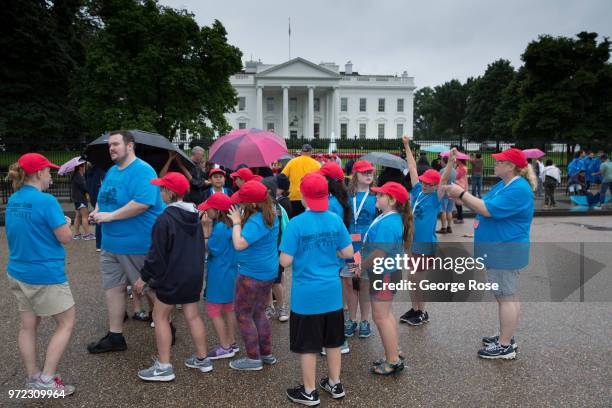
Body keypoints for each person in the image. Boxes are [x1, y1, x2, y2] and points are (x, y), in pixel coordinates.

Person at [444, 147, 536, 359]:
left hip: (505, 249)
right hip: (500, 248)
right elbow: (484, 204)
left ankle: (505, 346)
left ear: (511, 166)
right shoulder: (505, 184)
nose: (494, 164)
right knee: (505, 295)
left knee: (506, 296)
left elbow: (486, 209)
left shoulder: (518, 189)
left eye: (499, 161)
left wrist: (462, 194)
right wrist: (462, 198)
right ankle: (506, 336)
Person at [87, 130, 165, 354]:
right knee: (113, 289)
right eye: (109, 145)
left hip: (137, 244)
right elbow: (104, 199)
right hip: (111, 243)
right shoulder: (112, 170)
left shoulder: (142, 170)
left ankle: (166, 326)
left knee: (150, 289)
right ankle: (115, 336)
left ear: (130, 146)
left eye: (115, 144)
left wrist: (109, 217)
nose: (111, 148)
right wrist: (97, 211)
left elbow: (142, 203)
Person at [279, 173, 354, 405]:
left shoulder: (296, 223)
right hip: (332, 294)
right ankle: (335, 383)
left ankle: (310, 391)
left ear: (303, 195)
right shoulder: (334, 219)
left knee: (309, 345)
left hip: (306, 296)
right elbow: (348, 252)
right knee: (333, 342)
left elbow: (285, 261)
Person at [5, 153, 76, 394]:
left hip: (18, 271)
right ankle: (46, 380)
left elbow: (26, 230)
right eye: (48, 171)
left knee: (27, 326)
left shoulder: (14, 199)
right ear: (37, 174)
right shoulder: (47, 202)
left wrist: (58, 223)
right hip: (44, 273)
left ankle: (33, 376)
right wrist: (67, 224)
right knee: (66, 322)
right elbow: (65, 237)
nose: (51, 176)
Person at [134, 172, 211, 381]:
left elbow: (156, 254)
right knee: (193, 315)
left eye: (161, 189)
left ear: (169, 192)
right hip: (193, 275)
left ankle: (164, 366)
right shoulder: (195, 214)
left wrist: (144, 277)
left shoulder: (165, 219)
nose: (159, 192)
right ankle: (203, 359)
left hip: (172, 276)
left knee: (160, 317)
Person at [399, 136, 452, 326]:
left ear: (437, 186)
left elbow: (445, 177)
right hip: (412, 241)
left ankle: (422, 311)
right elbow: (412, 168)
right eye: (424, 182)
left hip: (424, 243)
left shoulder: (436, 197)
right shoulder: (418, 191)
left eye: (430, 183)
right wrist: (406, 145)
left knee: (416, 278)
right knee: (412, 278)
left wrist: (451, 161)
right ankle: (416, 309)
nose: (426, 185)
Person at [227, 180, 279, 370]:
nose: (240, 205)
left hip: (251, 275)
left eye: (243, 202)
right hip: (267, 273)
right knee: (258, 312)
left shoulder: (257, 220)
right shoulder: (271, 213)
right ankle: (266, 354)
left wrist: (236, 223)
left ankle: (253, 359)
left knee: (243, 314)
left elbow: (239, 244)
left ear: (254, 204)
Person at [363, 181, 412, 375]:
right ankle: (393, 353)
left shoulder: (388, 223)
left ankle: (392, 360)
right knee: (386, 315)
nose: (376, 197)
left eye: (380, 195)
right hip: (387, 274)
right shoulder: (390, 218)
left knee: (381, 317)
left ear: (391, 200)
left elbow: (378, 254)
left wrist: (361, 266)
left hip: (383, 274)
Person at [198, 193, 240, 359]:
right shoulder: (232, 225)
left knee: (214, 310)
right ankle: (232, 341)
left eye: (209, 208)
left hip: (219, 275)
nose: (207, 211)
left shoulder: (220, 227)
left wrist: (205, 229)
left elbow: (211, 248)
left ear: (216, 210)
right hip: (231, 273)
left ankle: (224, 346)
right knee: (230, 309)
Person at [344, 160, 378, 341]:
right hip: (350, 247)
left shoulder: (376, 196)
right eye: (364, 172)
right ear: (355, 175)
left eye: (370, 172)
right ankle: (351, 319)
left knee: (364, 284)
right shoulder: (347, 197)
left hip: (368, 247)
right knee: (350, 283)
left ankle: (365, 320)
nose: (368, 175)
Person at [260, 176, 290, 322]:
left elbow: (287, 229)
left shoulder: (279, 209)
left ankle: (282, 306)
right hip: (263, 251)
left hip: (276, 250)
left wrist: (285, 249)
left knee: (276, 281)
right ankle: (269, 307)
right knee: (266, 281)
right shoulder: (257, 208)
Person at [281, 144, 321, 216]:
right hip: (309, 197)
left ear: (301, 152)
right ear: (311, 152)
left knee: (294, 219)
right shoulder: (317, 164)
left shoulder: (292, 162)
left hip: (294, 196)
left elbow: (282, 176)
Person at [71, 161, 94, 240]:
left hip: (77, 199)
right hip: (80, 199)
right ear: (80, 167)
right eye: (84, 166)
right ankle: (87, 235)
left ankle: (77, 234)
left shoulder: (78, 175)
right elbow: (85, 187)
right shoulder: (78, 176)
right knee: (85, 216)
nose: (85, 168)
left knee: (78, 216)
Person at [85, 164, 106, 251]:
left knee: (98, 218)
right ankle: (100, 244)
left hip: (94, 197)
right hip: (100, 197)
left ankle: (99, 244)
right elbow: (103, 185)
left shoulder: (90, 171)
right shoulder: (101, 171)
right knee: (101, 219)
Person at [437, 157, 456, 234]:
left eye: (441, 161)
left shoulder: (442, 170)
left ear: (444, 162)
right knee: (449, 210)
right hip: (451, 192)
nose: (440, 162)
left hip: (443, 192)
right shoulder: (454, 171)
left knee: (443, 210)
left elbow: (439, 181)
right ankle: (449, 226)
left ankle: (443, 227)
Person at [453, 159, 468, 224]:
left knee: (458, 203)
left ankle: (460, 218)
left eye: (457, 160)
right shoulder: (461, 167)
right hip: (461, 185)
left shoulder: (461, 168)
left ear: (460, 161)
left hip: (460, 185)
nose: (456, 161)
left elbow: (457, 177)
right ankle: (459, 217)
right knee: (458, 203)